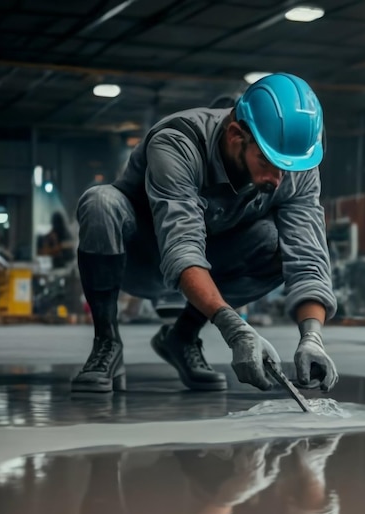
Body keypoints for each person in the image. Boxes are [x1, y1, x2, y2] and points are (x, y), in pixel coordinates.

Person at [71, 72, 338, 394]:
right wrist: (235, 330)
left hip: (213, 259)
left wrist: (312, 337)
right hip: (138, 257)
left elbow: (307, 257)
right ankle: (107, 343)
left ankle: (181, 338)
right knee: (101, 202)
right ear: (237, 135)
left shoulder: (298, 166)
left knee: (272, 243)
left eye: (289, 167)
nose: (279, 179)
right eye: (268, 162)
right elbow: (181, 246)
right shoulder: (178, 142)